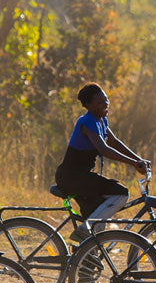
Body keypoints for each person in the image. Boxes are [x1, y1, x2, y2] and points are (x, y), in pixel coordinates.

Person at [53, 83, 150, 240]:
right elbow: (104, 148)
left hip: (81, 176)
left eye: (106, 100)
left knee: (99, 211)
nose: (105, 104)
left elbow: (114, 142)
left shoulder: (101, 119)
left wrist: (138, 159)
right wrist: (133, 163)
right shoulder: (88, 121)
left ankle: (87, 257)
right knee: (121, 193)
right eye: (100, 102)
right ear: (89, 106)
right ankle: (86, 229)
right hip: (72, 177)